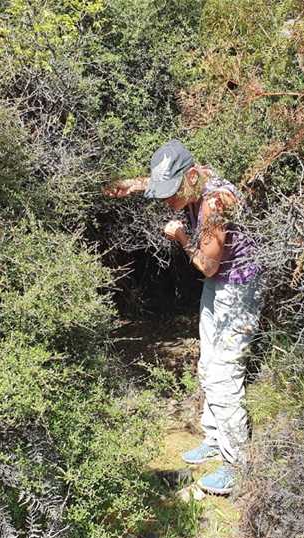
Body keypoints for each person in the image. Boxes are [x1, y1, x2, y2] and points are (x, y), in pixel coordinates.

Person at [104, 140, 262, 496]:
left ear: (190, 178)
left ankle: (238, 466)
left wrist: (181, 237)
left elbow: (207, 266)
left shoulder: (215, 203)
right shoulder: (195, 179)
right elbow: (161, 181)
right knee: (208, 365)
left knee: (224, 375)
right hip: (221, 285)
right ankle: (215, 439)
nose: (167, 201)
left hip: (238, 289)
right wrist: (131, 184)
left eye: (171, 193)